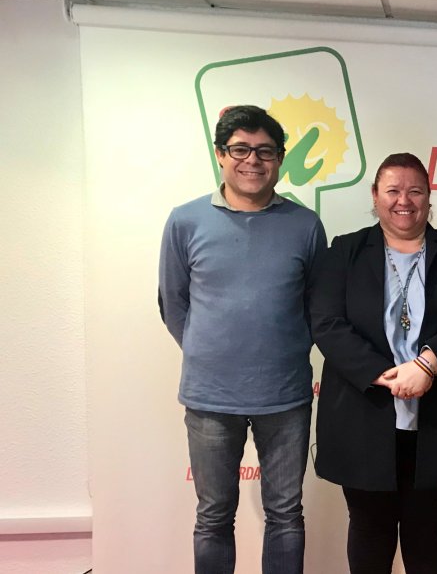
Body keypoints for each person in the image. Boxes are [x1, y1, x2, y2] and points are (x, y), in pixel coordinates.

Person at [158, 105, 327, 574]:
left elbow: (317, 306)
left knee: (286, 515)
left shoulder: (305, 225)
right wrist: (209, 351)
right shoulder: (185, 221)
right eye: (240, 149)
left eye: (265, 151)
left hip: (285, 395)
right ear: (220, 154)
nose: (252, 160)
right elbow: (173, 303)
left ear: (280, 158)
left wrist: (282, 349)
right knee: (213, 517)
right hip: (210, 397)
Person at [309, 153, 437, 574]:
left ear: (429, 197)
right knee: (369, 532)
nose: (403, 201)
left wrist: (427, 365)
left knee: (428, 534)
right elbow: (326, 322)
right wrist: (385, 375)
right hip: (363, 416)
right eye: (393, 190)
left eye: (415, 191)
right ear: (375, 196)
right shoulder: (345, 250)